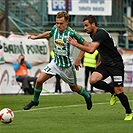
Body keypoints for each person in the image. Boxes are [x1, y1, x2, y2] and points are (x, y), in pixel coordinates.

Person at [68, 15, 133, 120]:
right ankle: (112, 91)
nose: (85, 28)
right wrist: (99, 62)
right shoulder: (94, 34)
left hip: (116, 65)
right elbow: (101, 50)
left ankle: (129, 112)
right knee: (93, 80)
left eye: (86, 25)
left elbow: (91, 50)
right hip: (105, 64)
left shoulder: (100, 34)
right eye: (84, 26)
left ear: (93, 24)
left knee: (119, 90)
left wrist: (75, 44)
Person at [23, 11, 92, 110]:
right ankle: (35, 101)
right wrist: (36, 37)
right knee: (39, 81)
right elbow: (49, 34)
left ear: (67, 22)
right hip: (55, 63)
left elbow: (86, 44)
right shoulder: (55, 28)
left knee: (74, 88)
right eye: (57, 23)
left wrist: (78, 59)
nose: (58, 25)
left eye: (61, 23)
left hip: (67, 66)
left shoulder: (72, 33)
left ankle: (87, 96)